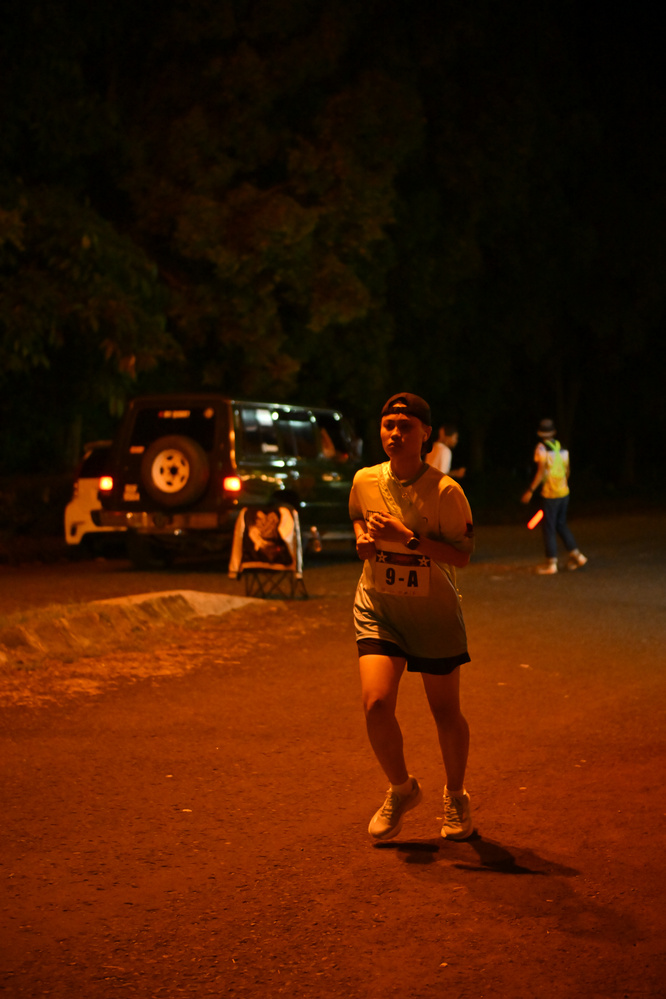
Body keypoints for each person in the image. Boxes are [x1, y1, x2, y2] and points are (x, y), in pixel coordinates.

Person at [349, 392, 475, 842]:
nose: (395, 434)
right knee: (376, 703)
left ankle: (456, 795)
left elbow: (462, 556)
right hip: (379, 607)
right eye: (388, 425)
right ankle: (402, 789)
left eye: (405, 426)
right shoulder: (364, 479)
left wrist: (409, 539)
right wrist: (363, 539)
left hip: (432, 614)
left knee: (445, 711)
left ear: (426, 434)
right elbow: (357, 516)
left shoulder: (446, 491)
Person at [521, 418, 588, 575]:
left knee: (549, 527)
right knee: (561, 524)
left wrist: (530, 490)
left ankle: (551, 564)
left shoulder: (541, 449)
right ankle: (578, 556)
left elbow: (541, 472)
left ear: (540, 433)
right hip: (564, 492)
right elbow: (568, 470)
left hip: (550, 493)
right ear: (554, 432)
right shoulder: (563, 448)